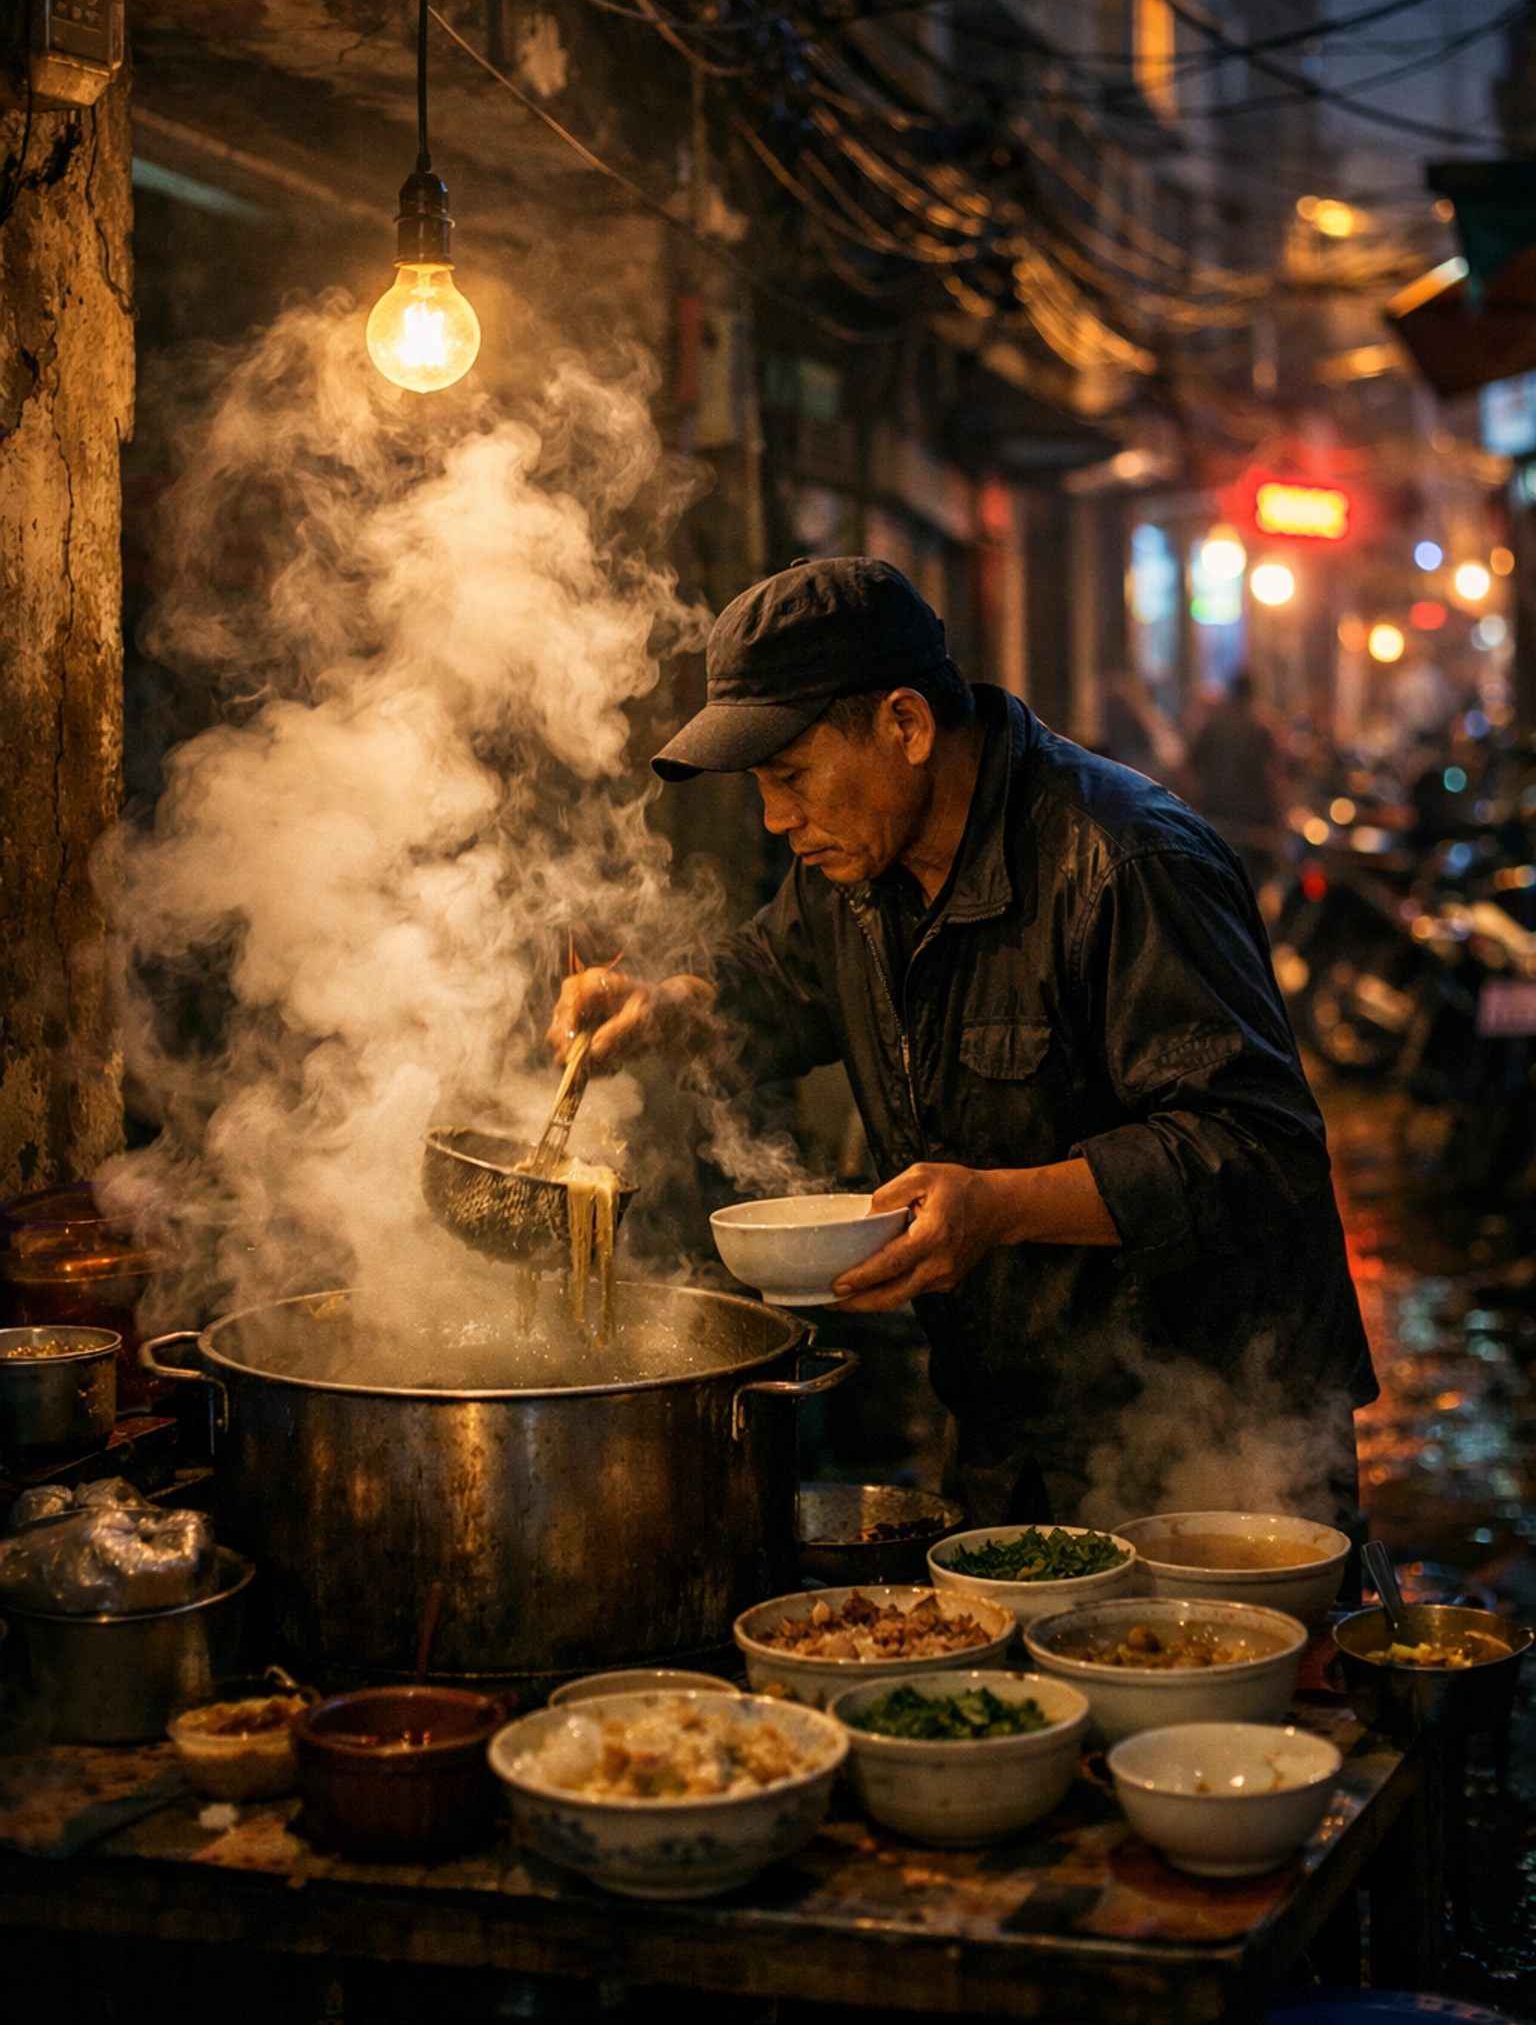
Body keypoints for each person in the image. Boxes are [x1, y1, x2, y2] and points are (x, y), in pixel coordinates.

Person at [547, 560, 1375, 1527]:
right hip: (1004, 1426)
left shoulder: (1126, 860)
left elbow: (1257, 1149)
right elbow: (773, 980)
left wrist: (999, 1205)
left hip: (1211, 1441)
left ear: (906, 724)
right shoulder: (851, 872)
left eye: (790, 775)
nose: (778, 818)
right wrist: (665, 1006)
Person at [1185, 672, 1280, 893]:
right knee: (1250, 887)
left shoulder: (1212, 727)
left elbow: (1190, 768)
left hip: (1217, 816)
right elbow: (1275, 774)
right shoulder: (1261, 729)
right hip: (1253, 821)